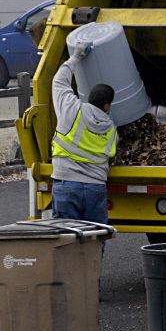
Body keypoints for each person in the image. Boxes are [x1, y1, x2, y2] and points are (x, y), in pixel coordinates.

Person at [50, 42, 118, 225]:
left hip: (66, 184)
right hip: (95, 187)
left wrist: (76, 57)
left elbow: (59, 81)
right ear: (107, 106)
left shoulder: (71, 110)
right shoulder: (111, 129)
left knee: (66, 238)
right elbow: (110, 154)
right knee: (95, 236)